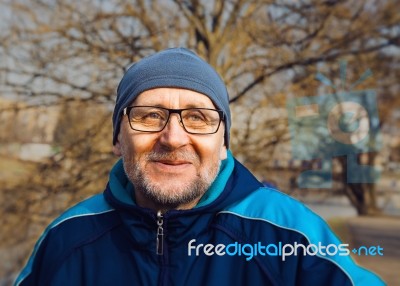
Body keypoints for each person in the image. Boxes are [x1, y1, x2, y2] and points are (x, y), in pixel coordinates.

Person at [15, 48, 384, 286]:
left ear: (223, 143)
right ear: (117, 139)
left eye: (198, 117)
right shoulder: (65, 240)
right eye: (149, 116)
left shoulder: (292, 239)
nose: (173, 138)